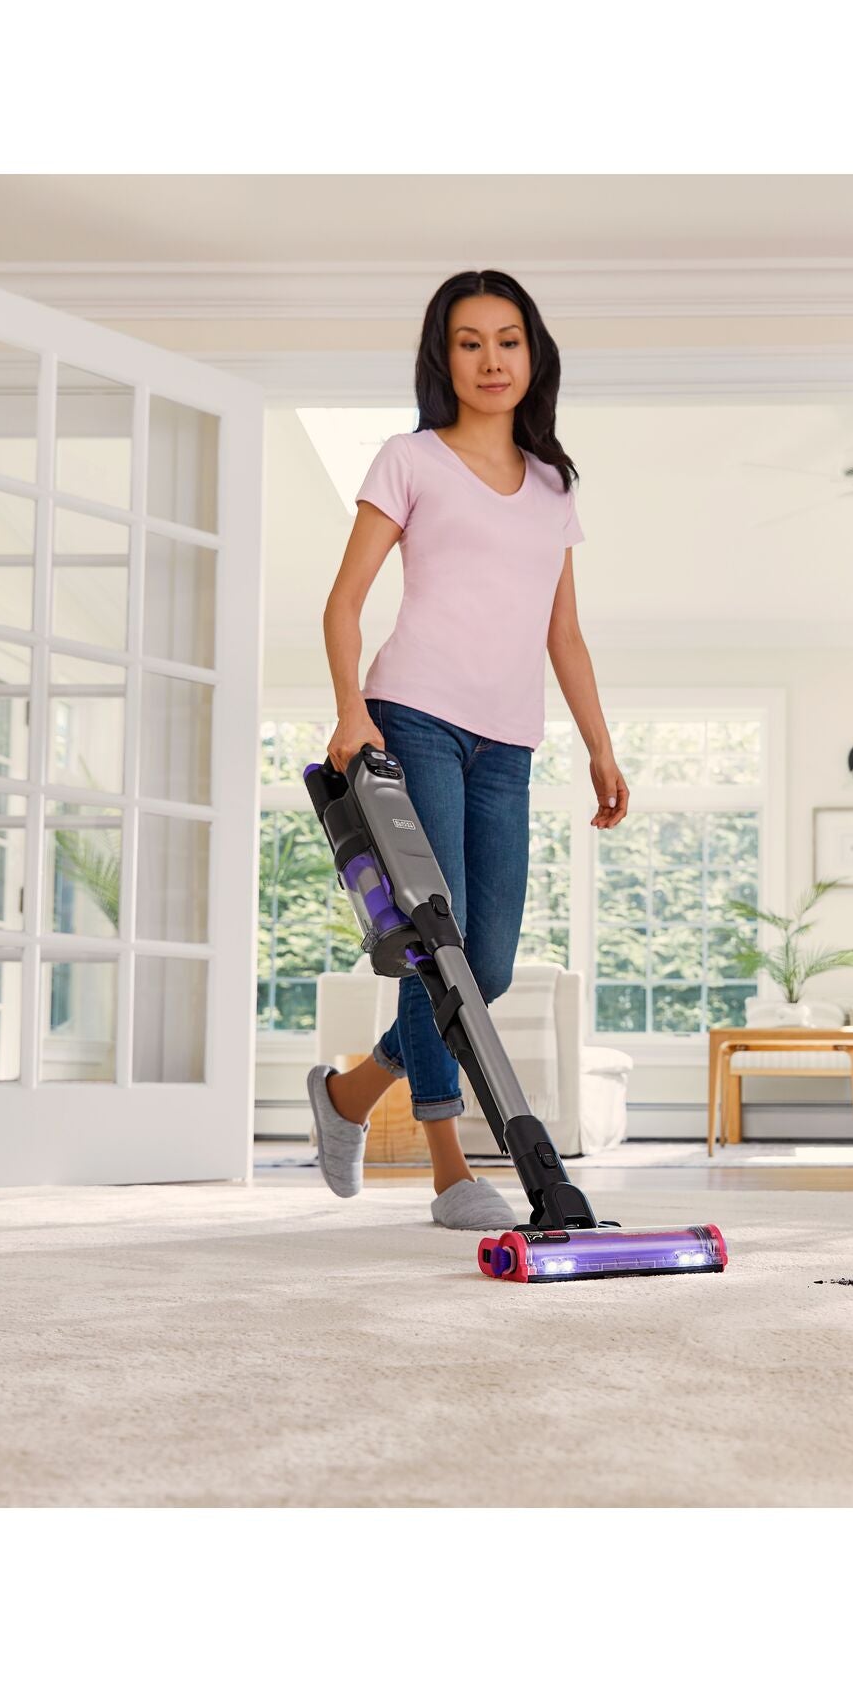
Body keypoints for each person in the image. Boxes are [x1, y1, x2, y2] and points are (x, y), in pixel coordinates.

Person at [304, 269, 629, 1229]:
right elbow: (344, 602)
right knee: (435, 954)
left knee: (483, 966)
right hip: (412, 719)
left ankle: (352, 1094)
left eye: (509, 340)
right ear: (442, 358)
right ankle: (449, 1170)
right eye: (469, 341)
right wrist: (351, 710)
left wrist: (602, 749)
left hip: (511, 744)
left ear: (535, 356)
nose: (492, 359)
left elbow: (562, 632)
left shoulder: (551, 485)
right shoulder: (410, 460)